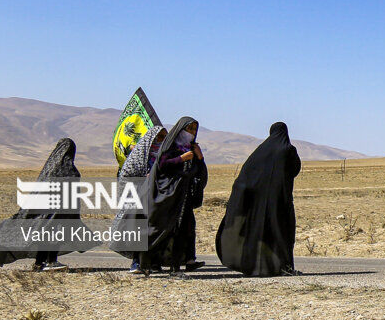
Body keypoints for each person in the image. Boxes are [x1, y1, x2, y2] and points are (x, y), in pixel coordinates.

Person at [112, 117, 207, 275]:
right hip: (161, 196)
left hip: (182, 197)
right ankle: (142, 263)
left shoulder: (191, 149)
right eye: (189, 129)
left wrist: (200, 157)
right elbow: (162, 165)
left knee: (181, 231)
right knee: (154, 229)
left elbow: (199, 172)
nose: (192, 133)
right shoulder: (169, 147)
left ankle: (176, 267)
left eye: (194, 130)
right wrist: (181, 159)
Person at [0, 138, 89, 271]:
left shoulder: (50, 167)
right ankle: (50, 262)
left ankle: (40, 263)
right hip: (59, 211)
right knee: (55, 234)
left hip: (45, 210)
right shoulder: (68, 169)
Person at [216, 121, 301, 277]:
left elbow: (246, 176)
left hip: (257, 203)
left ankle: (254, 266)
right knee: (281, 232)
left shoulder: (260, 152)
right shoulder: (288, 150)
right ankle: (284, 267)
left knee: (258, 231)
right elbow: (295, 169)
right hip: (280, 201)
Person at [113, 123, 165, 275]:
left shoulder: (164, 157)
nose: (161, 141)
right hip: (138, 198)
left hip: (158, 198)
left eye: (164, 138)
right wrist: (145, 179)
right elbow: (126, 176)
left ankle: (154, 263)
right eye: (159, 137)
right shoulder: (138, 157)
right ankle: (136, 262)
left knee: (156, 230)